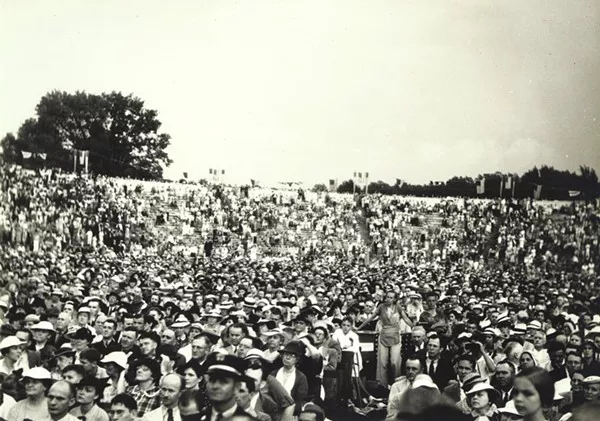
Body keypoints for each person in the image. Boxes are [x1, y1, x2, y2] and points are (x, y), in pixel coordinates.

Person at [197, 352, 252, 420]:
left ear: (237, 387)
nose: (215, 386)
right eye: (212, 380)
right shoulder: (196, 418)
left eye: (223, 382)